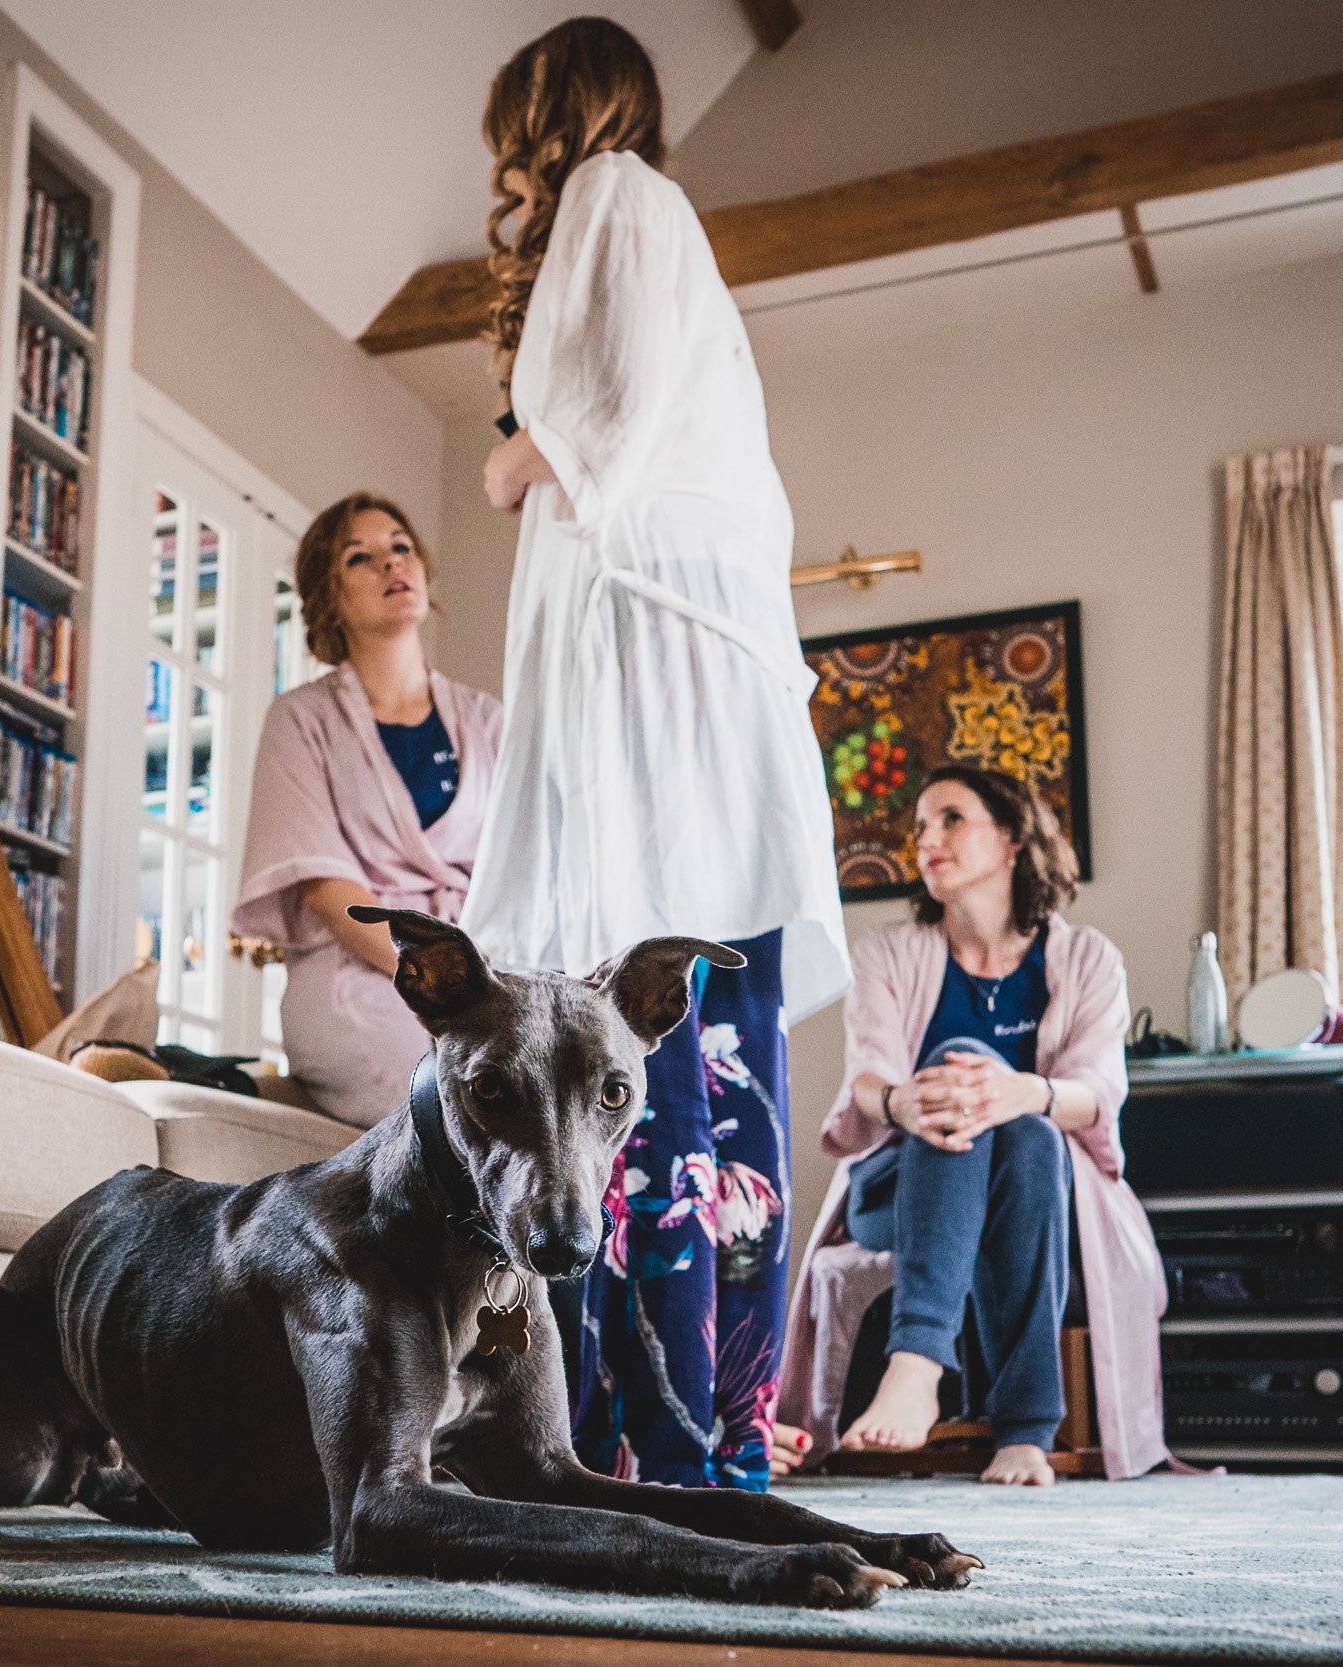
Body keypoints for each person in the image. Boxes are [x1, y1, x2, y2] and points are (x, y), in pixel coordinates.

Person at [461, 18, 846, 1493]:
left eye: (514, 128)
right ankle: (717, 1428)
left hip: (654, 667)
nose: (506, 165)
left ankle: (658, 1429)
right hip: (691, 674)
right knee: (718, 1035)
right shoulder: (664, 223)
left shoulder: (619, 195)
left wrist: (511, 453)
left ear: (556, 109)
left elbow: (595, 425)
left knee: (661, 1031)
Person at [780, 766, 1176, 1484]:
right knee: (963, 1074)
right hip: (897, 1187)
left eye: (951, 819)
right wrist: (903, 1102)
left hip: (1040, 1182)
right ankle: (997, 1408)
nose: (928, 839)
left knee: (1024, 1132)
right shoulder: (886, 952)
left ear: (1013, 836)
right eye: (921, 827)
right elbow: (867, 1077)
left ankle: (940, 1380)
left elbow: (1096, 1093)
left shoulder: (1088, 959)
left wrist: (1018, 1091)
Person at [231, 495, 502, 1130]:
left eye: (400, 546)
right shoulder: (299, 720)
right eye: (361, 558)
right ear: (329, 599)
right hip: (358, 975)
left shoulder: (491, 721)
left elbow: (528, 868)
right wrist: (451, 986)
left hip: (492, 964)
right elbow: (330, 894)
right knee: (453, 1094)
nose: (390, 563)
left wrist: (490, 988)